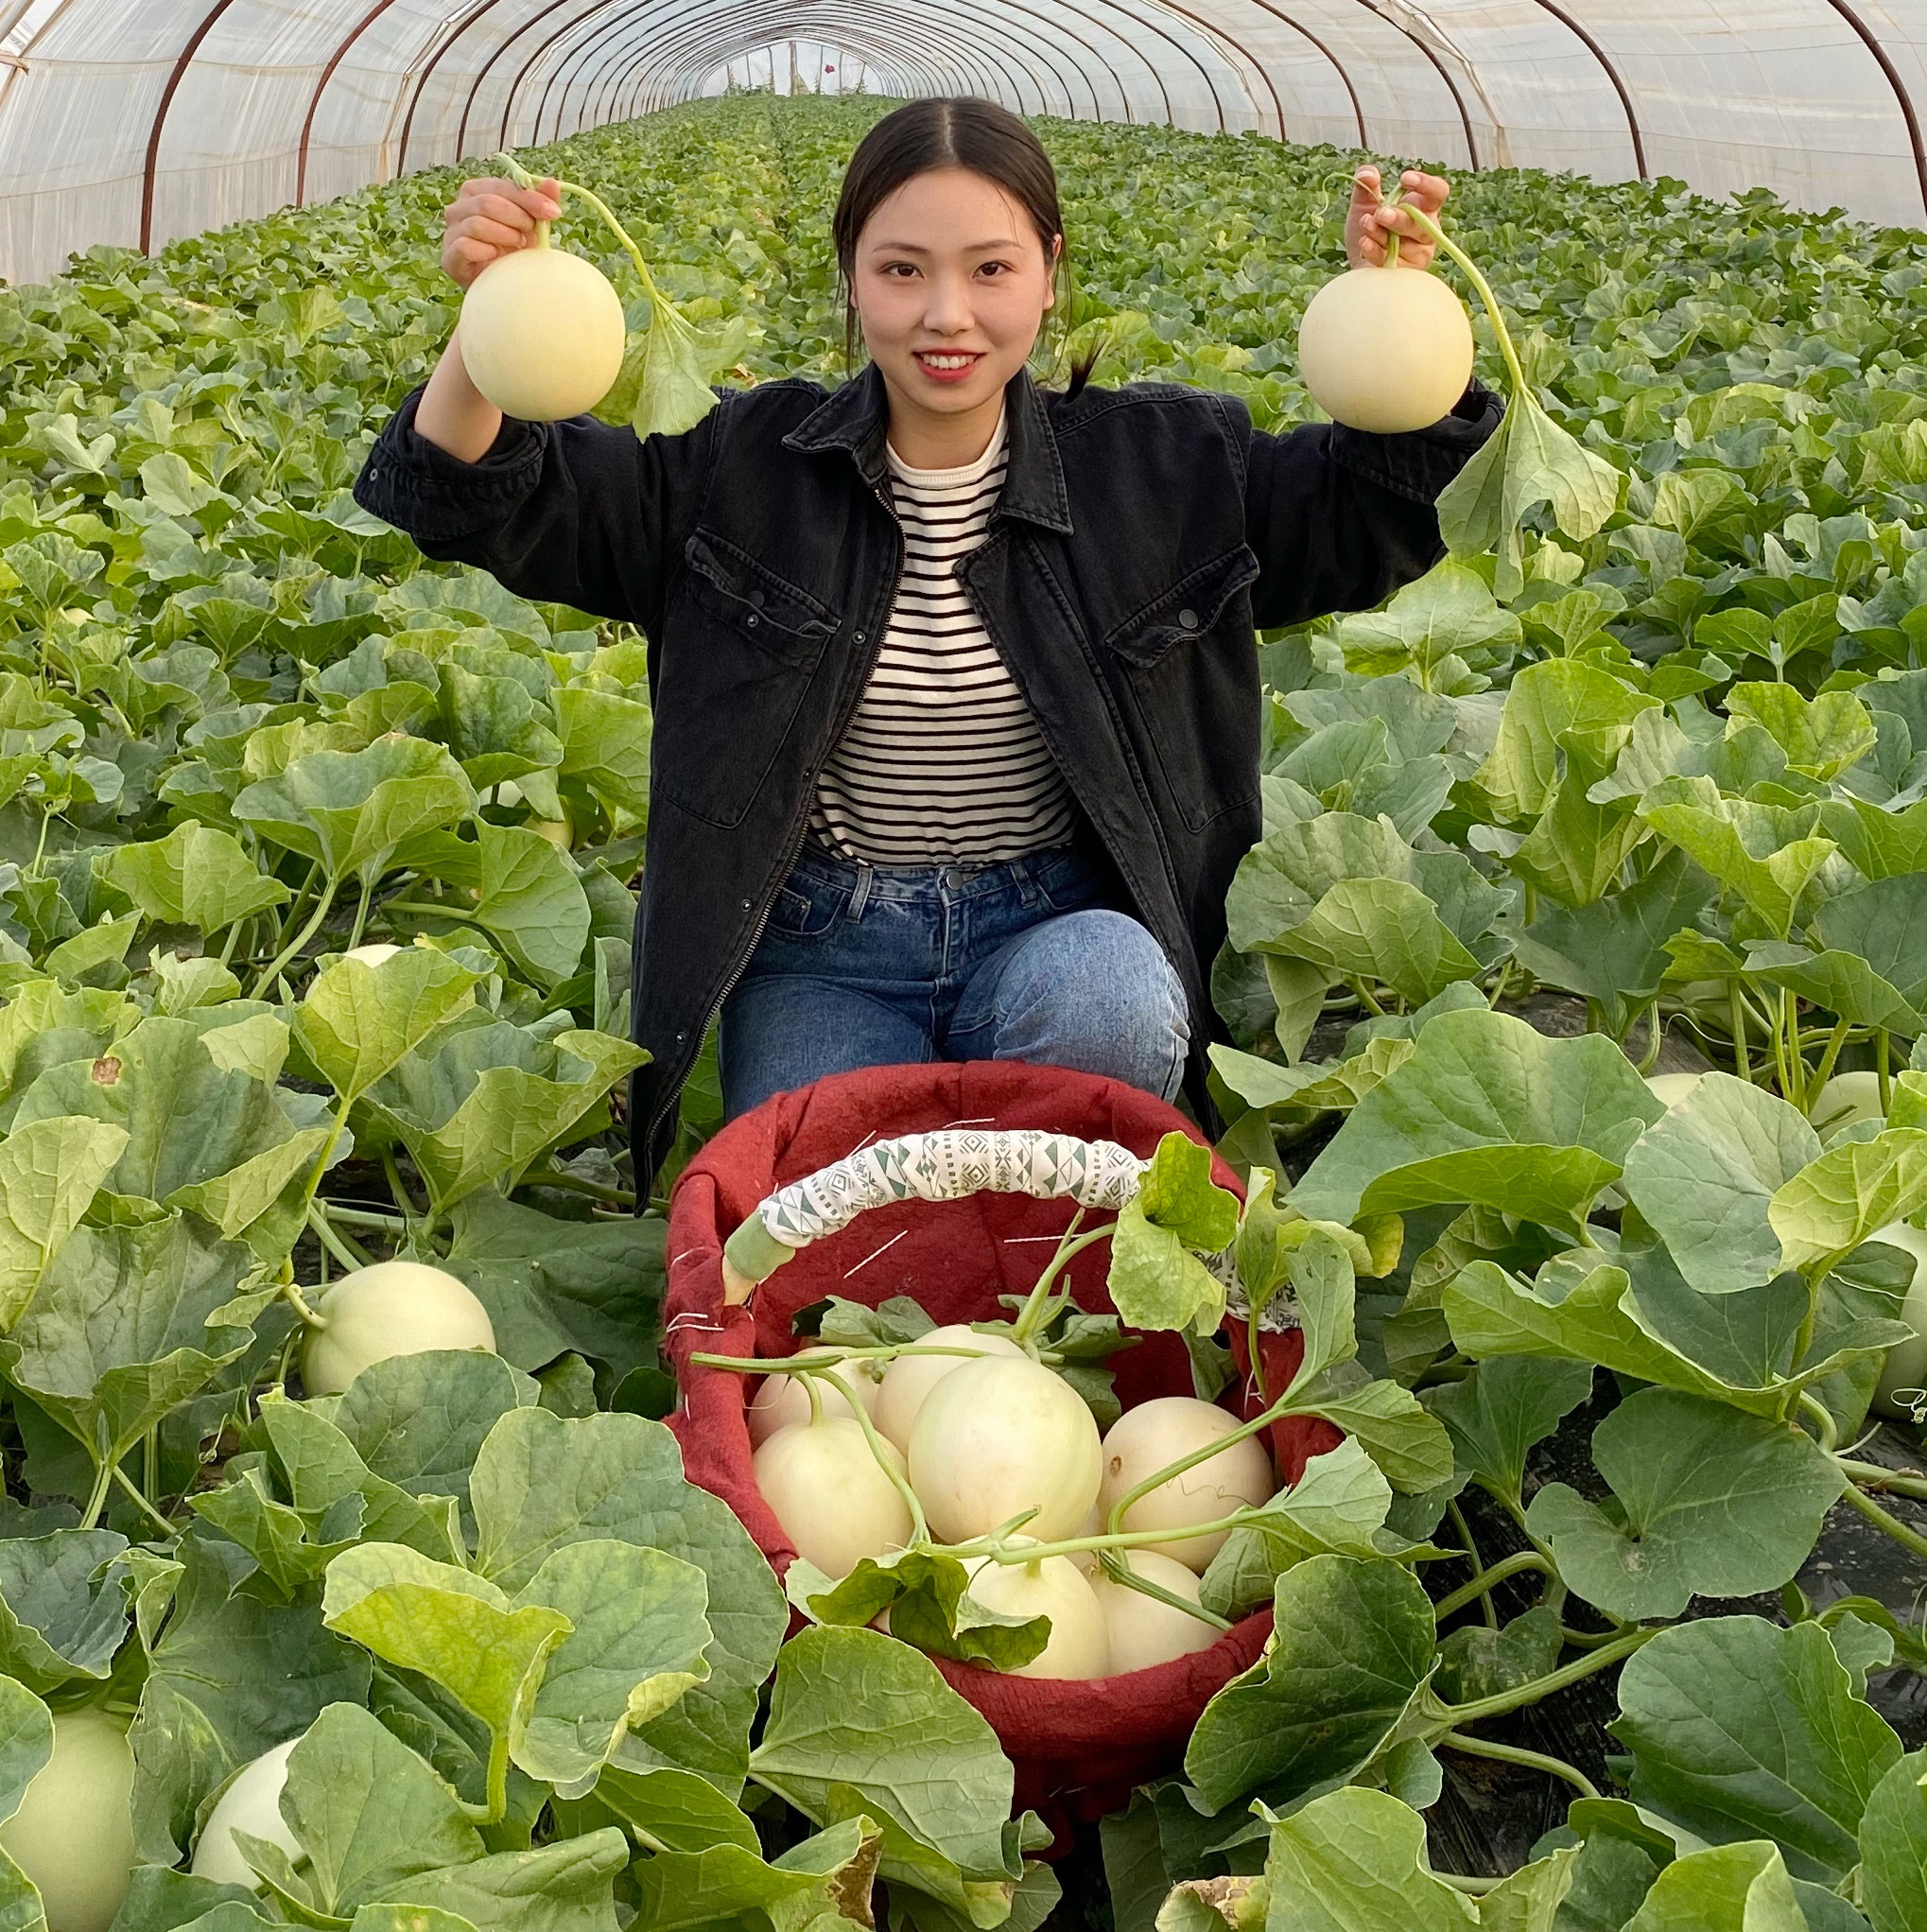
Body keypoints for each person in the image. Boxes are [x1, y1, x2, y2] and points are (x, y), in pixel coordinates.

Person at [353, 97, 1503, 1199]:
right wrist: (489, 314)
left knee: (1111, 1003)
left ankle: (1042, 1236)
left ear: (1048, 273)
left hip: (1057, 923)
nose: (945, 315)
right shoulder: (740, 472)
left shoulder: (1166, 469)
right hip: (820, 946)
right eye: (901, 269)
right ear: (852, 280)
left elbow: (1370, 511)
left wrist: (1388, 305)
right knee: (818, 1218)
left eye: (990, 269)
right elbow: (474, 492)